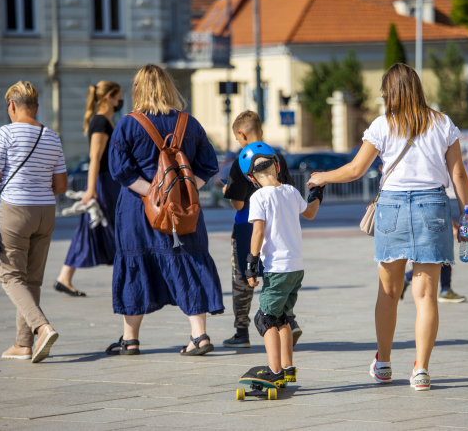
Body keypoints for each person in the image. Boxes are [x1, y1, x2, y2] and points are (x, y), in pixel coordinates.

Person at [307, 63, 468, 391]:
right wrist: (466, 213)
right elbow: (458, 174)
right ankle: (422, 370)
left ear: (391, 93)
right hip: (433, 205)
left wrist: (322, 176)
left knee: (389, 291)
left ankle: (383, 363)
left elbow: (356, 169)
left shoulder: (383, 125)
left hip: (392, 208)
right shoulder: (443, 123)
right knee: (426, 294)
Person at [106, 64, 224, 356]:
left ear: (138, 90)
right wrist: (181, 193)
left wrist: (154, 195)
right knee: (188, 263)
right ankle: (200, 336)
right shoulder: (189, 123)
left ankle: (130, 339)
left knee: (135, 265)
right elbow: (209, 164)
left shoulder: (128, 124)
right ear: (170, 87)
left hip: (137, 211)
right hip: (182, 212)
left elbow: (120, 171)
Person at [0, 81, 67, 362]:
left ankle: (42, 327)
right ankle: (23, 344)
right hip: (46, 211)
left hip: (15, 210)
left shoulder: (5, 133)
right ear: (36, 107)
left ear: (11, 105)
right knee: (32, 278)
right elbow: (60, 185)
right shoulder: (52, 136)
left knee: (10, 276)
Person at [241, 142, 322, 385]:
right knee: (283, 318)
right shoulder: (291, 191)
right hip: (296, 268)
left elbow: (257, 232)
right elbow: (310, 213)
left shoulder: (259, 197)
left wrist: (251, 264)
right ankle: (288, 368)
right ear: (277, 166)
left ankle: (274, 371)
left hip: (276, 269)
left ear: (250, 177)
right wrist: (317, 192)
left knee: (265, 319)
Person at [222, 111, 301, 348]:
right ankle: (289, 320)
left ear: (241, 134)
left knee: (243, 279)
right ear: (262, 131)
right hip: (278, 228)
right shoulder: (277, 157)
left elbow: (237, 202)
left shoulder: (241, 161)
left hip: (248, 227)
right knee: (276, 277)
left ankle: (241, 331)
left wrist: (228, 190)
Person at [54, 81, 123, 297]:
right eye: (119, 96)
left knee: (88, 230)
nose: (121, 100)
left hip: (105, 182)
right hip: (102, 184)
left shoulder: (106, 120)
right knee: (117, 229)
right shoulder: (101, 122)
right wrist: (91, 190)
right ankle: (127, 279)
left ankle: (64, 278)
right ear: (109, 98)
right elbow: (94, 158)